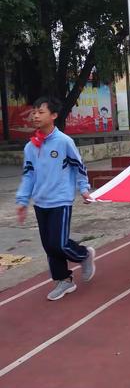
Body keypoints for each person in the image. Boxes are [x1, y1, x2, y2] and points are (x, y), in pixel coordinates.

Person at [16, 96, 96, 301]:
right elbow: (28, 175)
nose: (35, 115)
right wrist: (23, 200)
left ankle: (84, 255)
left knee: (59, 243)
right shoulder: (30, 147)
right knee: (49, 246)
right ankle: (64, 281)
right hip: (40, 202)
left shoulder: (64, 142)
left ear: (53, 115)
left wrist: (84, 189)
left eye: (40, 112)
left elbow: (79, 167)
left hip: (61, 200)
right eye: (34, 111)